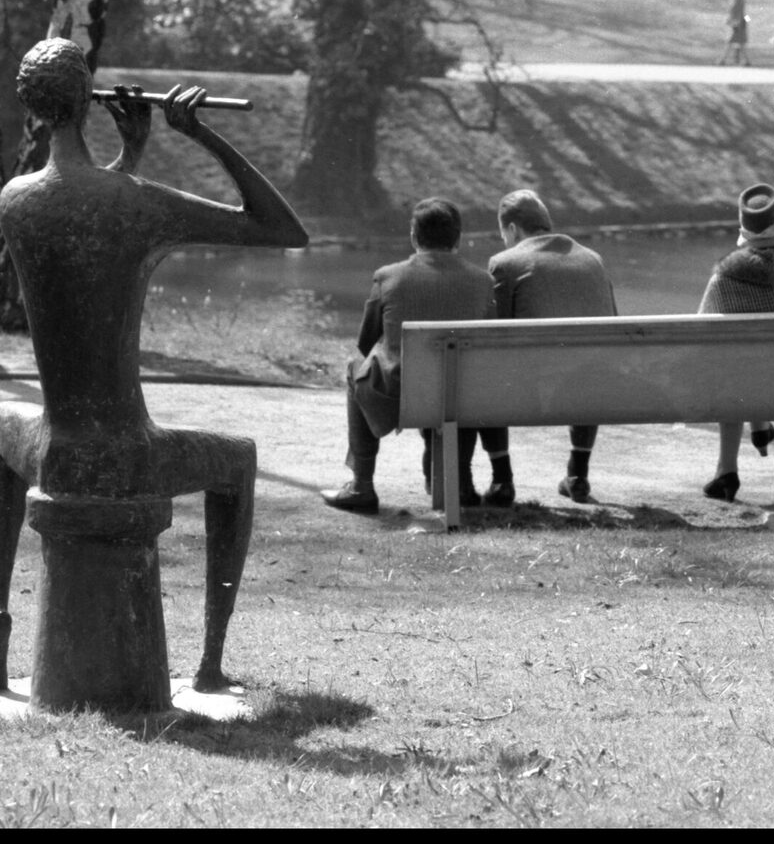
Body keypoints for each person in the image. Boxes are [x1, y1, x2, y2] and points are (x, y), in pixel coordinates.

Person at [0, 36, 309, 692]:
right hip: (126, 451)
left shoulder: (15, 199)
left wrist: (128, 158)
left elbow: (86, 213)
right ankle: (209, 666)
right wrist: (198, 134)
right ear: (88, 97)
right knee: (240, 456)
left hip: (51, 447)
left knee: (3, 423)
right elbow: (281, 229)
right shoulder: (135, 201)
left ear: (34, 109)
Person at [321, 198, 496, 514]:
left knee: (356, 368)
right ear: (457, 239)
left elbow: (364, 343)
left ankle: (362, 484)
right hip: (462, 397)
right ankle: (460, 481)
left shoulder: (389, 276)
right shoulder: (483, 281)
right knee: (459, 374)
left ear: (414, 236)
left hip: (399, 398)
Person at [478, 189, 618, 506]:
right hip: (592, 385)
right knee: (588, 360)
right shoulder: (593, 260)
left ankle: (502, 480)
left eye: (503, 233)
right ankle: (578, 473)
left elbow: (491, 334)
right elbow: (613, 323)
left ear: (512, 229)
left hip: (528, 390)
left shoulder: (505, 262)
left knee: (482, 368)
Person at [697, 183, 774, 503]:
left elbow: (700, 333)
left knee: (731, 364)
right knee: (751, 364)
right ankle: (760, 423)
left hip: (737, 387)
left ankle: (727, 470)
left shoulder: (723, 280)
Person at [718, 0, 750, 67]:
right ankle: (746, 61)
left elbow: (738, 12)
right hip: (739, 22)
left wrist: (734, 22)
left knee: (730, 42)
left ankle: (722, 60)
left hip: (737, 23)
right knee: (739, 42)